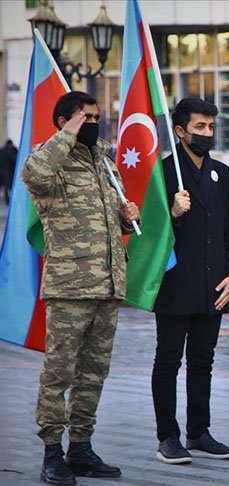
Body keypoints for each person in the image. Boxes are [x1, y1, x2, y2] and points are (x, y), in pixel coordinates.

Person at [21, 91, 140, 485]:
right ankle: (52, 453)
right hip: (70, 286)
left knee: (93, 375)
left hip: (107, 284)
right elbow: (33, 176)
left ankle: (81, 448)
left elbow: (111, 223)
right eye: (84, 118)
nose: (93, 123)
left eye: (96, 116)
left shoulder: (104, 162)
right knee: (59, 374)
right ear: (63, 122)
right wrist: (66, 135)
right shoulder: (48, 160)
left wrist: (126, 218)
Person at [151, 98, 229, 464]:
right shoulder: (164, 172)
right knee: (169, 359)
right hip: (176, 284)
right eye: (199, 127)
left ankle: (199, 432)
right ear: (180, 131)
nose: (206, 133)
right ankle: (167, 436)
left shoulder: (221, 173)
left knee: (203, 360)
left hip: (214, 285)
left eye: (210, 127)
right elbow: (147, 232)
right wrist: (172, 213)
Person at [0, 139, 18, 204]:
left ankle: (7, 200)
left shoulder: (1, 151)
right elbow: (14, 161)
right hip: (8, 172)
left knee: (5, 187)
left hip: (2, 171)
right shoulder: (11, 151)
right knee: (9, 187)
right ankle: (10, 200)